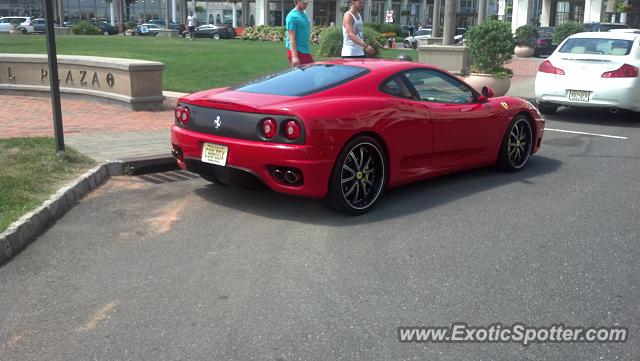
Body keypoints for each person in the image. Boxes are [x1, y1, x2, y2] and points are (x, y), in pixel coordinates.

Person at [285, 0, 313, 67]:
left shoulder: (304, 14)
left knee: (309, 73)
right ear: (297, 1)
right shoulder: (292, 16)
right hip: (297, 51)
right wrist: (294, 57)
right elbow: (291, 38)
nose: (306, 4)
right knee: (305, 75)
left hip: (304, 51)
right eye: (304, 2)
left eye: (307, 2)